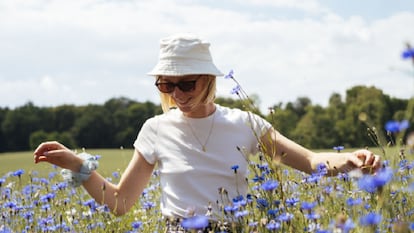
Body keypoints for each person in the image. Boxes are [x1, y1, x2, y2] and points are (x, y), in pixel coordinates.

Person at [33, 33, 381, 232]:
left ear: (209, 80)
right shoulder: (155, 129)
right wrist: (77, 165)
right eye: (167, 84)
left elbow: (310, 160)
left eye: (186, 83)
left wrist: (349, 159)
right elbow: (121, 203)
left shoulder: (245, 123)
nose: (178, 93)